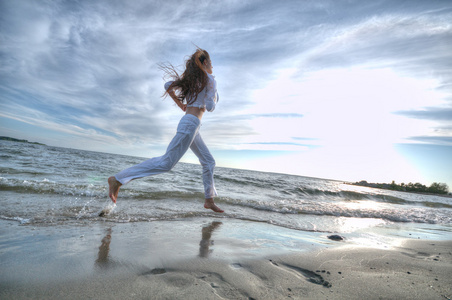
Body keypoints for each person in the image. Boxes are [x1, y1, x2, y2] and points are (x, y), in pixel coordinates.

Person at [108, 48, 224, 213]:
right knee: (166, 163)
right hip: (190, 124)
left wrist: (180, 104)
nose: (212, 66)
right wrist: (213, 94)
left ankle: (209, 199)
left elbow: (167, 85)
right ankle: (117, 179)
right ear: (205, 63)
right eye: (211, 62)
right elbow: (211, 107)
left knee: (209, 161)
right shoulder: (210, 79)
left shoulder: (193, 80)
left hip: (192, 125)